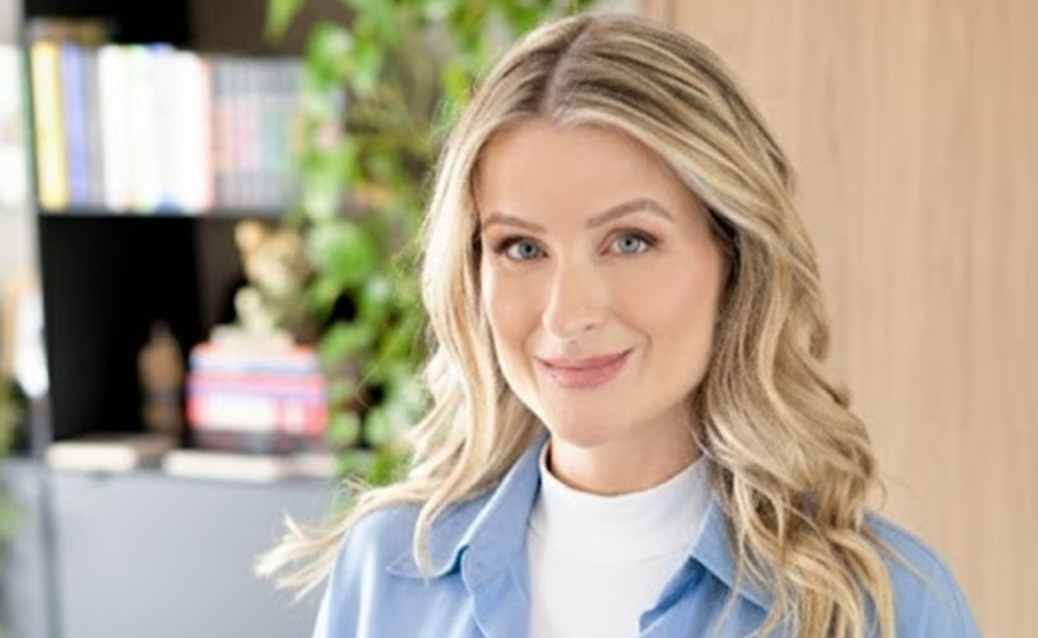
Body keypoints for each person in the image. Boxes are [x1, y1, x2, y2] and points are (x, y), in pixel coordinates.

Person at [259, 13, 981, 638]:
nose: (567, 314)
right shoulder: (387, 571)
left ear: (735, 260)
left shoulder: (883, 607)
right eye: (522, 248)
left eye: (630, 241)